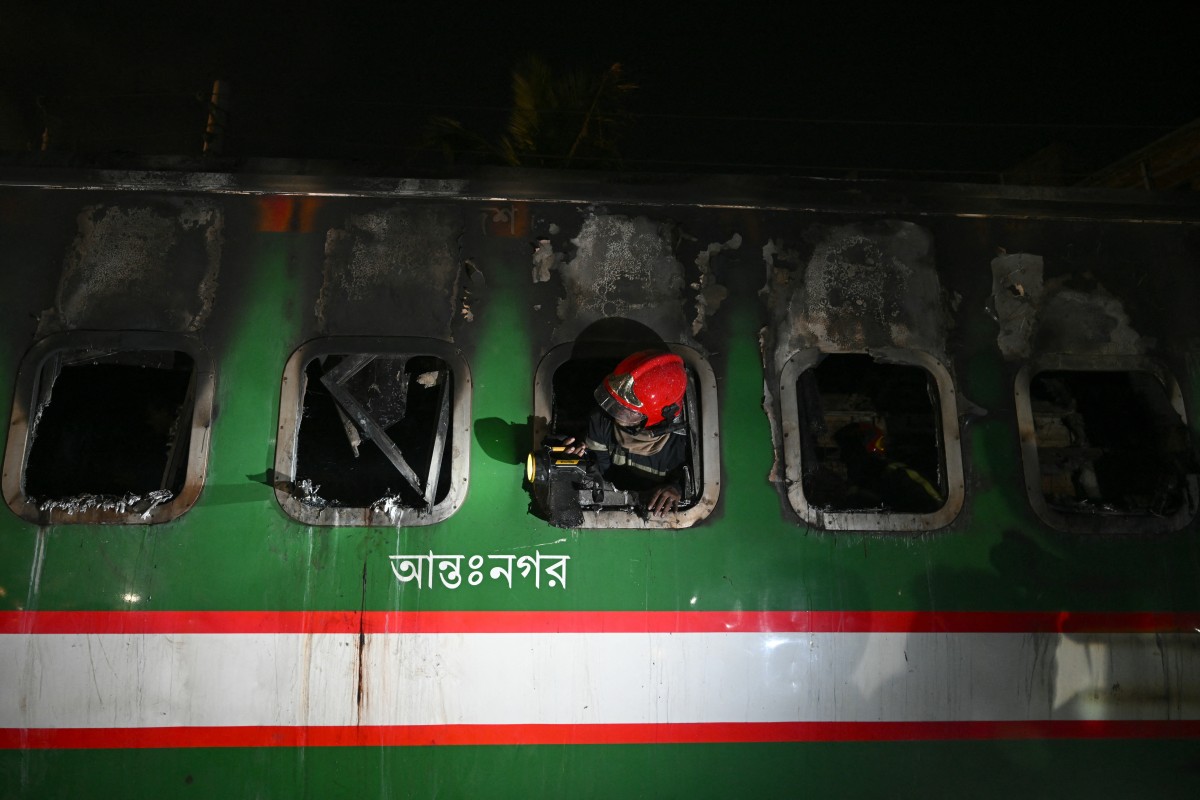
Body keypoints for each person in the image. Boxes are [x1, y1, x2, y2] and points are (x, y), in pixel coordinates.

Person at [563, 350, 690, 515]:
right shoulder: (602, 422)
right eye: (616, 403)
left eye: (629, 411)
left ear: (657, 416)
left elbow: (692, 481)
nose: (616, 415)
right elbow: (599, 473)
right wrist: (577, 464)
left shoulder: (683, 444)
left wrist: (677, 489)